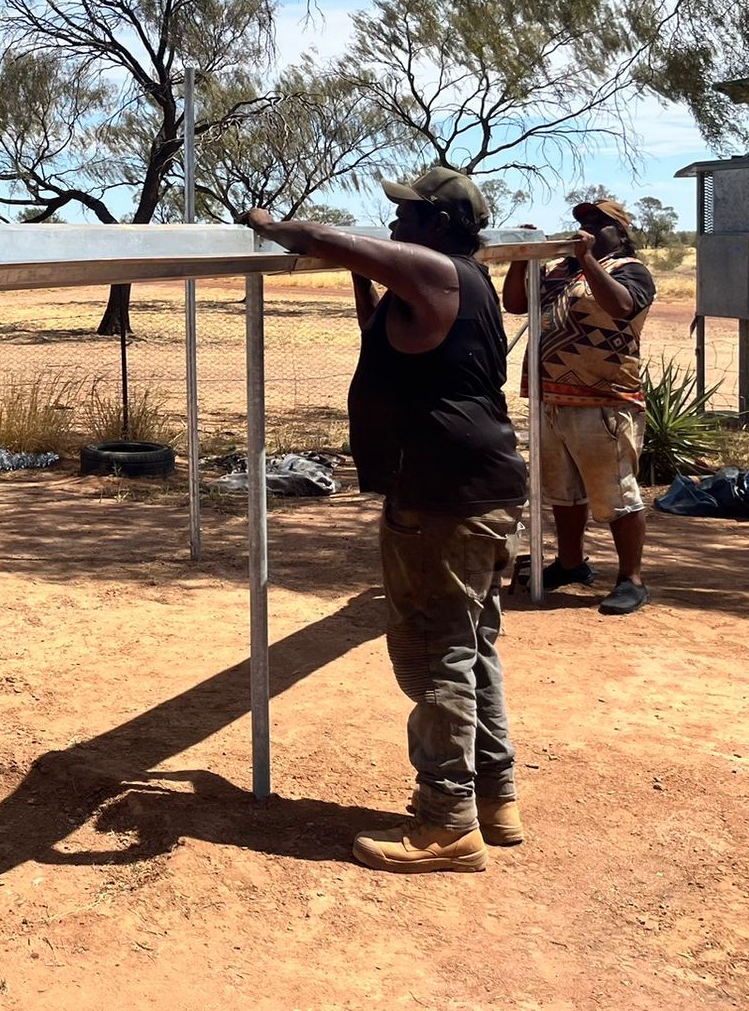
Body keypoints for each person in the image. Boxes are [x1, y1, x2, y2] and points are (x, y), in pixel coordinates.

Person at [243, 167, 528, 873]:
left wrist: (267, 223)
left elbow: (320, 237)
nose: (394, 222)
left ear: (439, 225)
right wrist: (363, 281)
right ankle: (494, 798)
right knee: (471, 646)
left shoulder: (436, 270)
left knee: (434, 654)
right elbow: (390, 340)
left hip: (441, 497)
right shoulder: (463, 283)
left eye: (407, 214)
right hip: (479, 488)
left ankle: (447, 824)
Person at [502, 197, 655, 615]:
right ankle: (570, 563)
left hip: (604, 401)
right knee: (563, 491)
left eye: (597, 222)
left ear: (619, 233)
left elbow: (621, 307)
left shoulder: (630, 271)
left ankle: (631, 579)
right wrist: (522, 257)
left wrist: (587, 259)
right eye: (582, 220)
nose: (586, 227)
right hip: (551, 399)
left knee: (615, 492)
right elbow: (515, 304)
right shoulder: (560, 270)